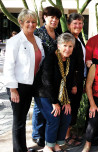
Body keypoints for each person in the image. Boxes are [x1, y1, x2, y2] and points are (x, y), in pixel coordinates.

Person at [3, 9, 45, 152]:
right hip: (18, 86)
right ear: (21, 23)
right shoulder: (15, 41)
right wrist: (13, 89)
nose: (31, 24)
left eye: (33, 21)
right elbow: (8, 66)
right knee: (19, 120)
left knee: (24, 117)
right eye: (28, 21)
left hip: (30, 85)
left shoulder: (37, 40)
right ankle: (19, 150)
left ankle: (22, 147)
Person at [33, 33, 75, 152]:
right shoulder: (51, 58)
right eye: (65, 45)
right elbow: (47, 82)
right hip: (44, 93)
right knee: (54, 117)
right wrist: (54, 102)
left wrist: (67, 101)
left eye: (70, 46)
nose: (67, 49)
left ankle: (57, 143)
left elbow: (69, 82)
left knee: (66, 115)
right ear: (58, 46)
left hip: (60, 94)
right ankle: (48, 146)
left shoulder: (69, 61)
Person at [32, 6, 62, 147]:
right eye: (51, 17)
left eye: (56, 18)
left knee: (46, 106)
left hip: (52, 75)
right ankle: (37, 134)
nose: (54, 20)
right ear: (45, 17)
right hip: (39, 74)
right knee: (39, 107)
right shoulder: (38, 33)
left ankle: (44, 133)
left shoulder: (58, 34)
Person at [65, 12, 86, 146]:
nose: (78, 26)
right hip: (71, 82)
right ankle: (66, 137)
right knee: (69, 108)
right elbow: (69, 64)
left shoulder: (78, 38)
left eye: (80, 23)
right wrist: (73, 84)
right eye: (75, 23)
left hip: (78, 80)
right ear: (69, 25)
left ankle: (68, 132)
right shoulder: (68, 38)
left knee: (74, 107)